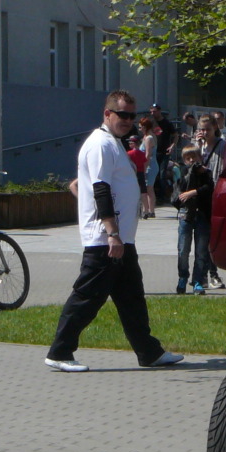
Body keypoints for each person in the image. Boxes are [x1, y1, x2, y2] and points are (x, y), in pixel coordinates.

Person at [45, 90, 184, 373]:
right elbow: (100, 188)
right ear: (107, 113)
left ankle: (149, 352)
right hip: (106, 240)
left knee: (132, 297)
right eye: (122, 115)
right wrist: (111, 232)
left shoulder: (113, 143)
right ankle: (60, 352)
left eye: (132, 116)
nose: (128, 120)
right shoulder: (100, 144)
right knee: (87, 297)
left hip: (123, 239)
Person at [175, 144, 215, 294]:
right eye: (188, 158)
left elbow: (209, 188)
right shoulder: (183, 172)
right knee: (183, 249)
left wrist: (194, 192)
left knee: (201, 251)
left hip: (202, 215)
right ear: (184, 160)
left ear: (200, 158)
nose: (192, 160)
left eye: (194, 157)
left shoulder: (206, 173)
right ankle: (182, 277)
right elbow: (180, 189)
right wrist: (190, 173)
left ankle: (198, 280)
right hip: (186, 214)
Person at [194, 114, 226, 288]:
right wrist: (197, 147)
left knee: (211, 238)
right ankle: (205, 275)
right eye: (201, 129)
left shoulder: (222, 146)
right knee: (202, 238)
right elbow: (189, 166)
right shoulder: (199, 146)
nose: (204, 133)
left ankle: (212, 274)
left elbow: (225, 168)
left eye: (207, 129)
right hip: (200, 196)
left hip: (216, 195)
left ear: (215, 128)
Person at [137, 116, 158, 219]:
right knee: (148, 188)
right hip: (147, 164)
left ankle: (151, 210)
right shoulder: (145, 137)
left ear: (145, 127)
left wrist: (144, 168)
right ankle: (149, 210)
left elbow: (148, 154)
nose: (139, 129)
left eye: (141, 127)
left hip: (150, 165)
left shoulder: (149, 138)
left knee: (149, 188)